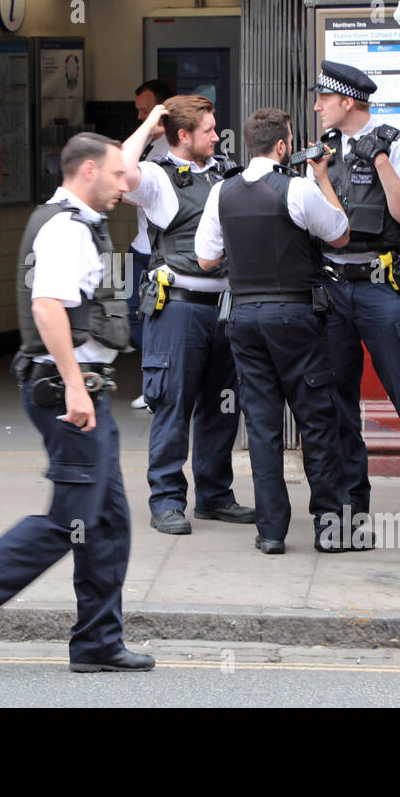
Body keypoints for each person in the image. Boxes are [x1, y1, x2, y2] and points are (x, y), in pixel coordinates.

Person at [0, 133, 154, 673]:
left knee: (107, 523)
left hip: (80, 388)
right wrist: (77, 387)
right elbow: (48, 306)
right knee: (69, 522)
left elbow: (113, 159)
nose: (127, 184)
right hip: (68, 392)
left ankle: (98, 642)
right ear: (86, 174)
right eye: (116, 176)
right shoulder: (67, 230)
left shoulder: (71, 213)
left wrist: (151, 126)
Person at [196, 108, 364, 553]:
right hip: (295, 318)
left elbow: (205, 258)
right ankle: (330, 528)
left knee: (263, 426)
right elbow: (341, 234)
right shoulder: (299, 188)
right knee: (316, 419)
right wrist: (322, 178)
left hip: (244, 319)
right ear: (284, 146)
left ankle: (270, 531)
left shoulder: (222, 192)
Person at [120, 95, 254, 535]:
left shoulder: (222, 171)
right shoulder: (158, 178)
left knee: (222, 407)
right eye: (209, 130)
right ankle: (166, 500)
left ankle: (214, 496)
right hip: (178, 309)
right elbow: (120, 174)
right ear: (182, 135)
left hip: (225, 309)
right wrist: (151, 123)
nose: (217, 136)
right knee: (173, 404)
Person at [310, 61, 400, 538]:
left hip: (383, 288)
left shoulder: (397, 141)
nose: (316, 107)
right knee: (336, 406)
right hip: (333, 289)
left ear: (346, 102)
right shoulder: (322, 153)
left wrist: (379, 160)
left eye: (323, 100)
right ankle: (352, 513)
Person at [124, 79, 173, 410]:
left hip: (159, 252)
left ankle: (160, 384)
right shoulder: (147, 146)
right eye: (139, 111)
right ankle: (152, 381)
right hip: (137, 248)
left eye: (147, 111)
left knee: (154, 318)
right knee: (131, 315)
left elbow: (123, 186)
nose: (140, 117)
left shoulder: (170, 151)